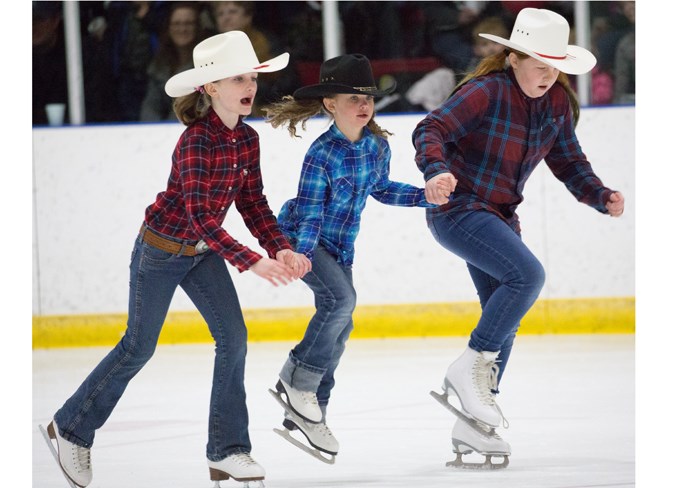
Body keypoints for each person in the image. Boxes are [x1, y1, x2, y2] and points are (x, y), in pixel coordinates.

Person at [43, 31, 311, 488]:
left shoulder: (247, 139)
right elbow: (202, 219)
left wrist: (279, 247)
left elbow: (254, 204)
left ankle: (227, 450)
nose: (249, 86)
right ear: (209, 88)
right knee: (138, 347)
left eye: (251, 77)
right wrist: (252, 262)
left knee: (234, 338)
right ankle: (70, 428)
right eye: (236, 79)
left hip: (203, 255)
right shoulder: (195, 142)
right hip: (161, 251)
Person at [412, 8, 625, 467]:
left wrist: (599, 195)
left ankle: (474, 425)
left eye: (555, 65)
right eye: (539, 63)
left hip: (501, 216)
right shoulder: (486, 91)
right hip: (458, 207)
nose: (548, 74)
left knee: (503, 317)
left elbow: (569, 161)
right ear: (512, 58)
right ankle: (465, 370)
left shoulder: (556, 104)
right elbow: (431, 127)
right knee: (527, 276)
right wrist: (437, 169)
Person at [262, 54, 448, 459]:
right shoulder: (321, 153)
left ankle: (312, 413)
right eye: (352, 98)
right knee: (341, 301)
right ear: (330, 103)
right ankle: (297, 381)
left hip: (341, 246)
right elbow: (309, 213)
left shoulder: (376, 147)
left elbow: (380, 189)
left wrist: (424, 196)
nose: (364, 106)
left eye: (368, 98)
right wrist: (300, 255)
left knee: (341, 330)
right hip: (303, 239)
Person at [140, 2, 206, 121]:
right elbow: (150, 106)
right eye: (176, 24)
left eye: (188, 23)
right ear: (169, 28)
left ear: (197, 27)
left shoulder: (206, 64)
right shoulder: (159, 64)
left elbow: (189, 107)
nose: (182, 29)